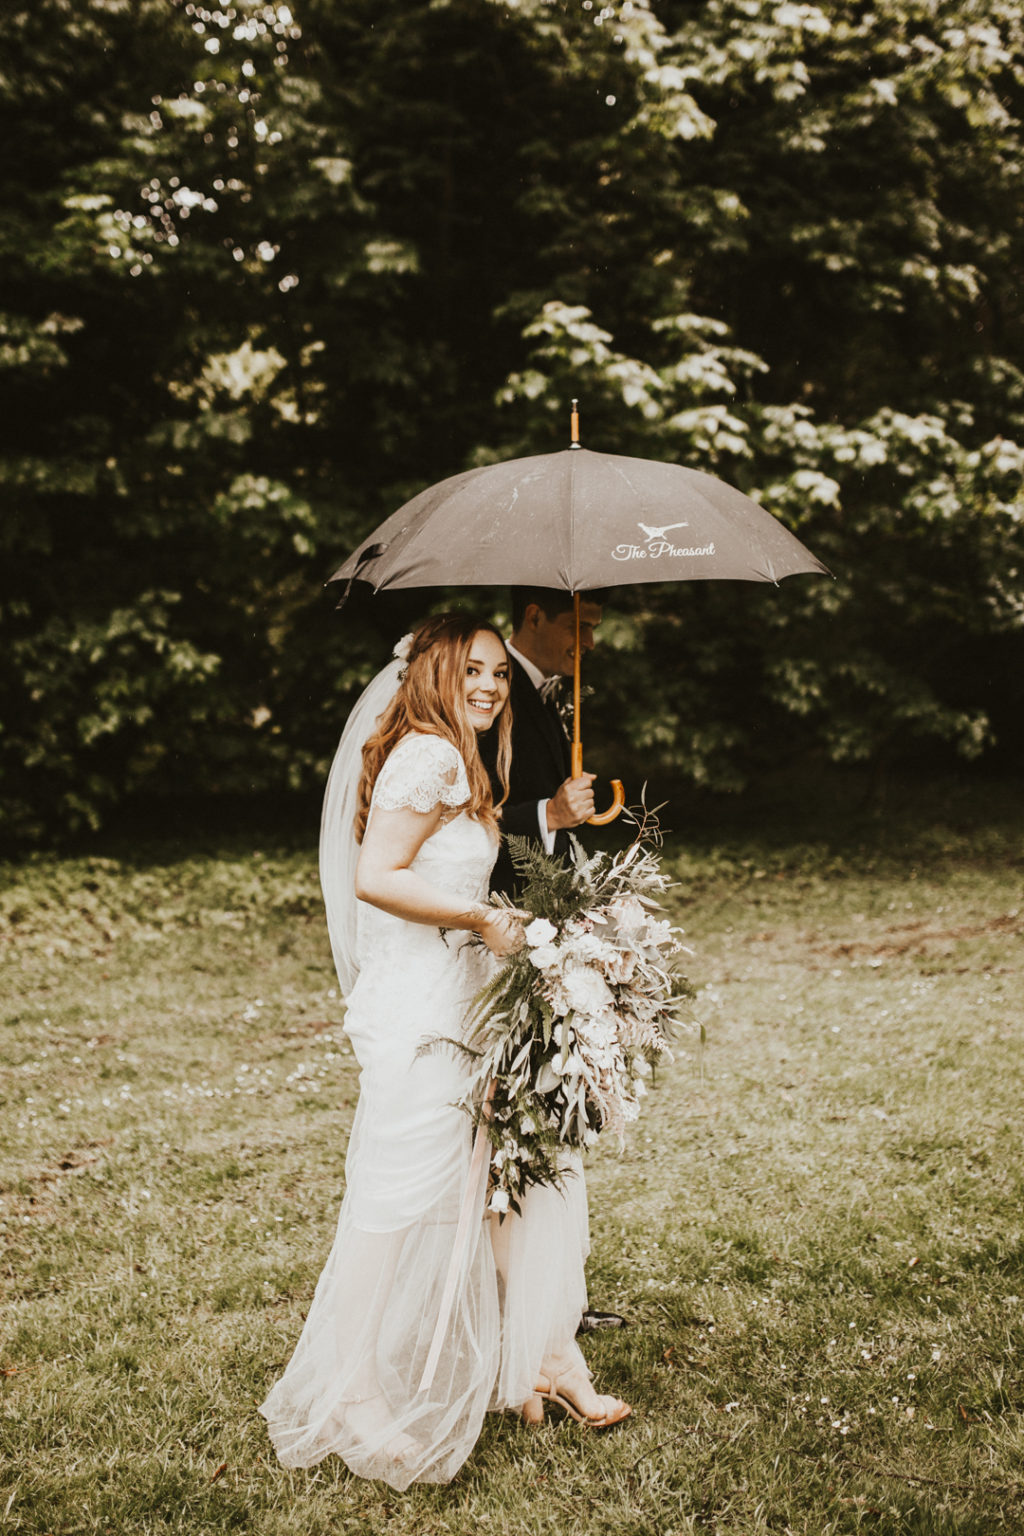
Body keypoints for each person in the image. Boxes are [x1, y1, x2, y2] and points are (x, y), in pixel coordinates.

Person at [259, 614, 629, 1492]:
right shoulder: (428, 755)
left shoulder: (465, 761)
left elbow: (449, 871)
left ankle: (536, 1356)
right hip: (420, 1011)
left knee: (481, 1190)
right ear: (431, 671)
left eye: (500, 673)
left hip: (458, 1003)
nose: (492, 686)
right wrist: (478, 919)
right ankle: (349, 1391)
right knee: (394, 1200)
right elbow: (376, 879)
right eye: (473, 669)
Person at [481, 587, 606, 899]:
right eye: (578, 627)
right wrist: (548, 814)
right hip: (502, 899)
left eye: (592, 629)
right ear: (534, 617)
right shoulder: (486, 692)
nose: (589, 643)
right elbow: (466, 812)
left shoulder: (548, 688)